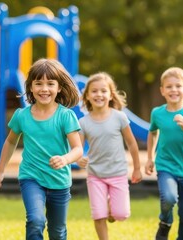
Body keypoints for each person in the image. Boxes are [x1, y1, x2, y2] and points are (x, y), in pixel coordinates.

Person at [0, 58, 83, 240]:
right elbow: (10, 142)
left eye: (50, 83)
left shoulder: (66, 116)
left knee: (57, 232)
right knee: (35, 221)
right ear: (30, 87)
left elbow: (78, 149)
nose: (44, 89)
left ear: (59, 87)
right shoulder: (21, 116)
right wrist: (0, 171)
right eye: (38, 83)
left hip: (59, 182)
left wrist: (65, 159)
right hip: (31, 178)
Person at [76, 72, 142, 240]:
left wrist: (137, 169)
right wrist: (79, 158)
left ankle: (111, 209)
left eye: (103, 91)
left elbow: (132, 144)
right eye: (94, 91)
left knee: (121, 214)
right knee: (98, 215)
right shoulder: (83, 122)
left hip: (118, 173)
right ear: (87, 96)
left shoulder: (119, 117)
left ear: (111, 94)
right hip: (95, 175)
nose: (99, 94)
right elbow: (77, 147)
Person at [145, 67, 183, 240]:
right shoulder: (157, 113)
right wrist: (150, 158)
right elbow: (152, 132)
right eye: (169, 86)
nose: (174, 90)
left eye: (178, 86)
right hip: (166, 166)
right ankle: (165, 222)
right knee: (169, 198)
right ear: (162, 91)